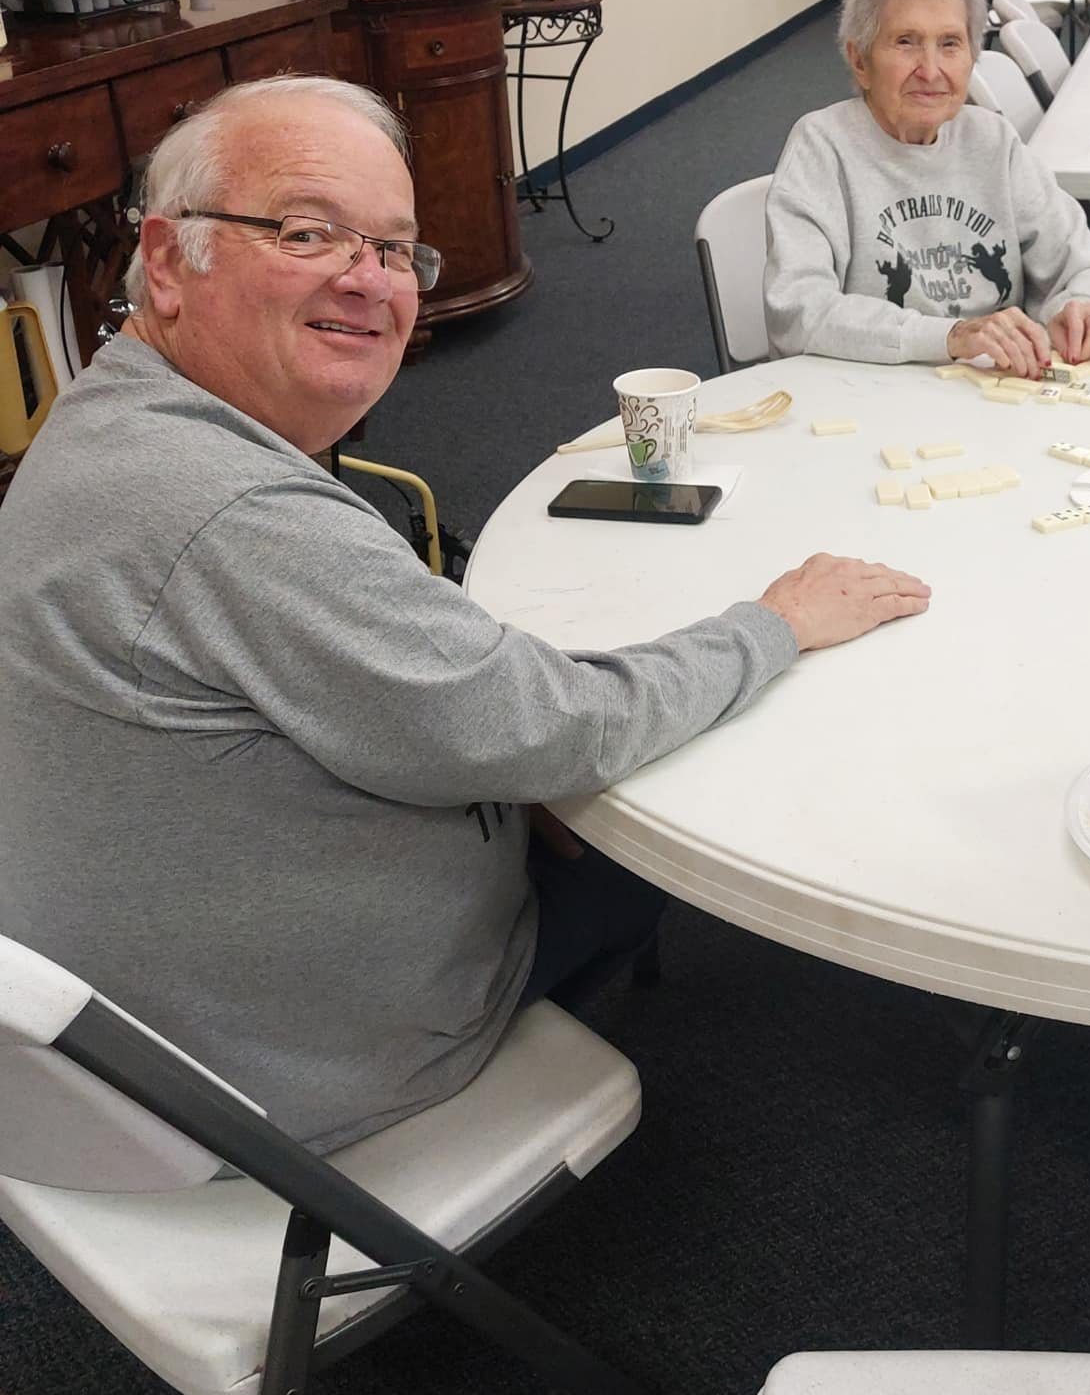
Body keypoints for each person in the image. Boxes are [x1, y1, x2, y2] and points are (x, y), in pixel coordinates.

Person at [0, 76, 930, 1155]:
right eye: (308, 232)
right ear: (167, 262)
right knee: (662, 819)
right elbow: (551, 725)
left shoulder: (109, 417)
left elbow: (435, 705)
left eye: (395, 251)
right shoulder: (234, 516)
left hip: (131, 1028)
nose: (368, 281)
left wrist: (497, 751)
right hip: (291, 1069)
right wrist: (776, 621)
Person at [764, 0, 1090, 377]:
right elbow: (798, 311)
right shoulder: (822, 147)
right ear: (859, 61)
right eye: (906, 42)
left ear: (972, 58)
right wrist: (950, 336)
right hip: (864, 395)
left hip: (989, 398)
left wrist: (1083, 305)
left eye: (951, 44)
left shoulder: (993, 141)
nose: (931, 69)